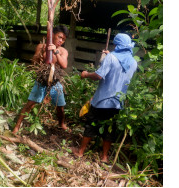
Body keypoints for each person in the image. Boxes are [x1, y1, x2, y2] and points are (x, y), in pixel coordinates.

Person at [73, 33, 138, 163]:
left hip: (102, 100)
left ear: (117, 45)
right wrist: (110, 55)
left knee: (91, 124)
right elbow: (121, 69)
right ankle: (104, 157)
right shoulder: (134, 62)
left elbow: (99, 75)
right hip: (117, 103)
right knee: (110, 129)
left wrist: (86, 74)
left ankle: (80, 152)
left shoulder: (111, 57)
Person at [13, 25, 70, 134]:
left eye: (63, 39)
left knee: (60, 107)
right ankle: (17, 126)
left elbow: (64, 65)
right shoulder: (41, 46)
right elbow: (34, 62)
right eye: (59, 37)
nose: (61, 41)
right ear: (53, 35)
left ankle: (61, 124)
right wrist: (40, 55)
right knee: (30, 104)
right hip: (42, 80)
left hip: (55, 82)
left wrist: (55, 51)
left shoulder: (62, 51)